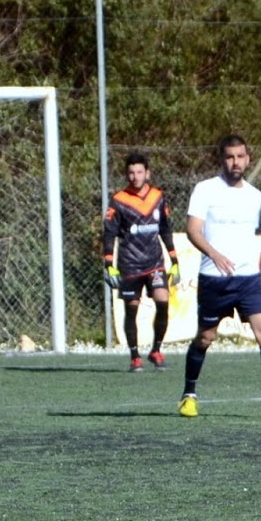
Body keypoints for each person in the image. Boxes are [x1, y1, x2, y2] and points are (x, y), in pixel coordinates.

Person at [178, 135, 261, 418]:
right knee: (206, 337)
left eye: (240, 156)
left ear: (248, 159)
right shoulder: (205, 190)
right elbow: (193, 230)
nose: (235, 162)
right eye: (229, 157)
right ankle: (189, 394)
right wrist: (214, 254)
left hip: (249, 279)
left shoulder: (255, 196)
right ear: (221, 159)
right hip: (214, 280)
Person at [102, 153, 179, 372]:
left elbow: (165, 229)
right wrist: (108, 264)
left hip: (155, 262)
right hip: (130, 264)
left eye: (139, 172)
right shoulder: (119, 200)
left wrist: (174, 260)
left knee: (163, 301)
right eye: (131, 172)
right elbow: (109, 233)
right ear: (126, 175)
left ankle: (156, 350)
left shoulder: (158, 197)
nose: (135, 176)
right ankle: (135, 357)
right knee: (132, 308)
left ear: (147, 173)